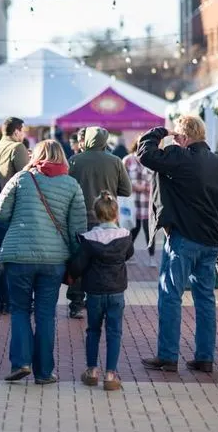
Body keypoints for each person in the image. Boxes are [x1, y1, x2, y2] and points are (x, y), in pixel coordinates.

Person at [137, 116, 218, 373]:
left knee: (170, 296)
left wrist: (161, 132)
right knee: (205, 299)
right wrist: (217, 226)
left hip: (184, 238)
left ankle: (168, 356)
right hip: (211, 241)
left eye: (178, 136)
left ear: (184, 137)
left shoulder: (181, 157)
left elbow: (145, 153)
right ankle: (205, 357)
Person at [0, 140, 87, 384]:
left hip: (18, 256)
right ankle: (44, 372)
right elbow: (78, 228)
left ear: (35, 155)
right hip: (54, 260)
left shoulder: (22, 178)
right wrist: (75, 260)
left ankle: (21, 363)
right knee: (46, 315)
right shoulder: (71, 184)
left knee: (20, 310)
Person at [69, 191, 133, 391]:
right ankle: (111, 375)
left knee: (93, 331)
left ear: (96, 214)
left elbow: (78, 266)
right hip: (116, 291)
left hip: (95, 292)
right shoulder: (125, 236)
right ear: (116, 214)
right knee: (115, 332)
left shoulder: (89, 239)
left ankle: (92, 371)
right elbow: (128, 254)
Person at [67, 127, 132, 319]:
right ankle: (98, 297)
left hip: (79, 217)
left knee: (79, 259)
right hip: (107, 217)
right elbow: (126, 190)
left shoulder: (74, 160)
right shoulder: (115, 161)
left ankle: (76, 303)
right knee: (104, 259)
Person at [0, 117, 30, 315]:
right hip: (13, 209)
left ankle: (1, 301)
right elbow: (25, 177)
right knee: (14, 256)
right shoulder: (17, 148)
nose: (24, 135)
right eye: (23, 131)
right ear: (16, 131)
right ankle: (13, 301)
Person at [123, 137, 155, 265]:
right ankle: (127, 255)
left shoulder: (152, 159)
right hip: (132, 202)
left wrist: (147, 187)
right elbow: (121, 179)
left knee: (149, 230)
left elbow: (157, 179)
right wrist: (132, 186)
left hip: (148, 202)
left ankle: (152, 257)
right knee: (132, 230)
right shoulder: (128, 160)